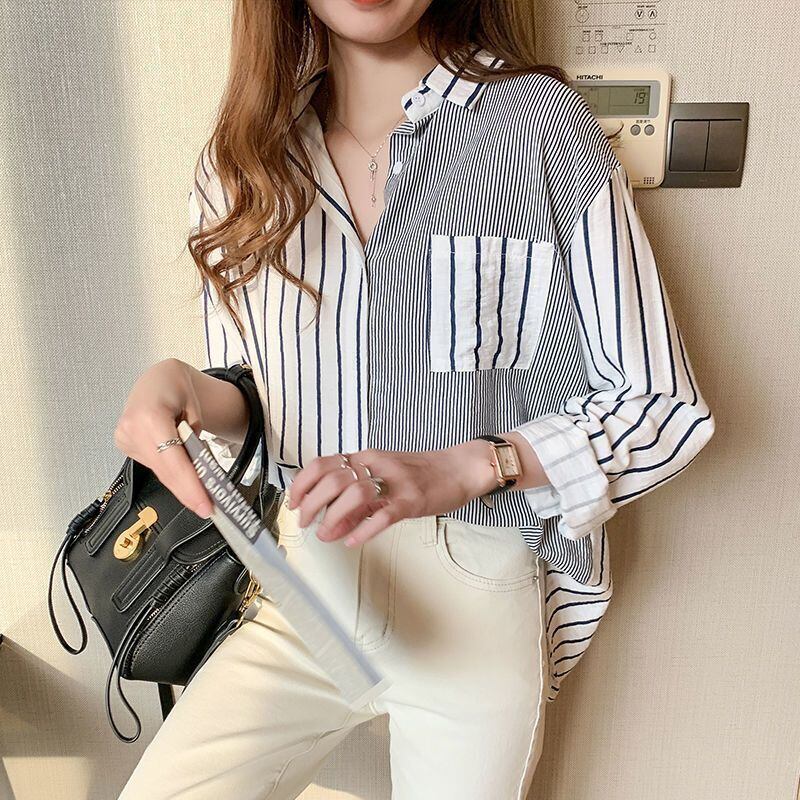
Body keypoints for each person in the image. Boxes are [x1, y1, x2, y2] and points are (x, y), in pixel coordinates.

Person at [115, 0, 716, 797]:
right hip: (308, 584)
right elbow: (267, 401)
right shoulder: (242, 162)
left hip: (475, 591)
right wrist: (186, 389)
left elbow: (661, 404)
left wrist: (462, 468)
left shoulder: (538, 127)